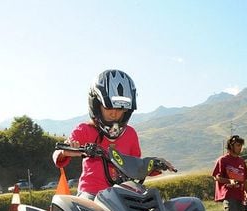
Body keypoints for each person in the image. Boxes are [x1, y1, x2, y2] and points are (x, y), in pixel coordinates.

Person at [53, 69, 173, 200]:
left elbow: (134, 165)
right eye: (109, 107)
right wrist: (65, 152)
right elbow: (58, 154)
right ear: (97, 105)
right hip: (91, 194)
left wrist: (155, 164)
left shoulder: (131, 134)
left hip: (123, 195)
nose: (114, 113)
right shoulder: (85, 130)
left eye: (120, 108)